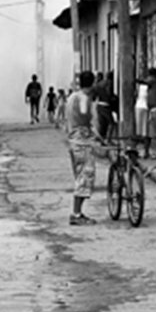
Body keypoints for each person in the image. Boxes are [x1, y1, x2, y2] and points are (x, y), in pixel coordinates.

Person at [64, 70, 104, 226]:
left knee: (80, 176)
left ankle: (77, 212)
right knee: (84, 177)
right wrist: (97, 133)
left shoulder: (71, 97)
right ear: (92, 83)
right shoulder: (83, 99)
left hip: (74, 140)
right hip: (82, 141)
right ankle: (76, 213)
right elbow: (86, 119)